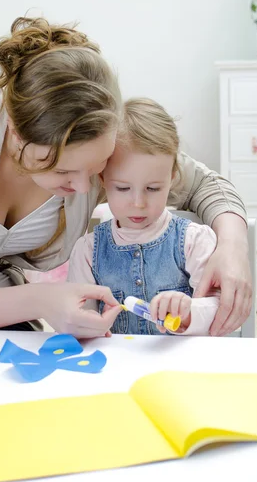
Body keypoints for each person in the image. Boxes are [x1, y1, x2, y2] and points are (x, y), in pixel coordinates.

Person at [0, 17, 251, 337]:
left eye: (95, 170)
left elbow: (203, 184)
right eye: (61, 170)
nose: (83, 189)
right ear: (15, 132)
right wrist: (40, 300)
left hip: (1, 318)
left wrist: (232, 249)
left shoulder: (103, 139)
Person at [68, 98, 225, 335]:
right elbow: (77, 317)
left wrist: (190, 310)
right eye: (122, 188)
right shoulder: (87, 251)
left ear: (171, 177)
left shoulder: (193, 240)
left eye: (152, 189)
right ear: (102, 180)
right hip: (115, 366)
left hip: (179, 367)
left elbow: (218, 307)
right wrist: (86, 323)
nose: (138, 203)